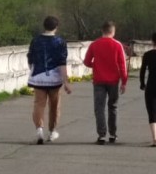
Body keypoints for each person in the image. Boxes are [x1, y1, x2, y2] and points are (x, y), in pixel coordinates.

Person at [27, 16, 72, 144]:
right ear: (56, 27)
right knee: (54, 105)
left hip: (38, 77)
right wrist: (66, 82)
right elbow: (62, 63)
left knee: (39, 104)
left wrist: (33, 70)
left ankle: (39, 130)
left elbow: (30, 59)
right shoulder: (60, 41)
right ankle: (52, 131)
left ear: (44, 26)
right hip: (54, 78)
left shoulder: (35, 40)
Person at [83, 20, 128, 144]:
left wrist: (95, 65)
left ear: (102, 31)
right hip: (113, 80)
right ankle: (113, 134)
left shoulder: (94, 44)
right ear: (113, 32)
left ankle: (101, 135)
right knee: (113, 107)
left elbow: (86, 62)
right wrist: (124, 82)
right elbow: (122, 65)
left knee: (99, 108)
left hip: (99, 80)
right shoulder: (117, 45)